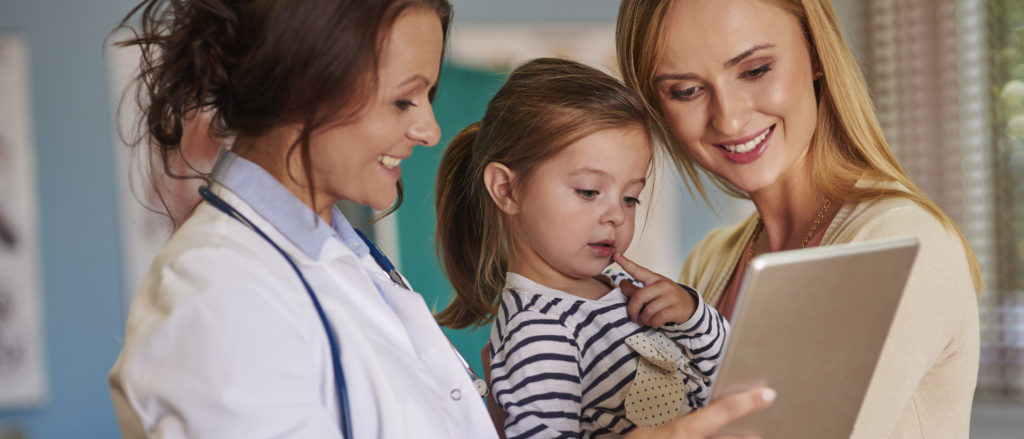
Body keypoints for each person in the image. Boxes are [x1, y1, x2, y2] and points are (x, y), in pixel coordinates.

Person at [107, 0, 772, 437]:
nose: (429, 129)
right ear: (305, 87)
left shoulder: (346, 262)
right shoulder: (219, 298)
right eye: (404, 100)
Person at [616, 0, 982, 437]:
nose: (729, 118)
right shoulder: (711, 261)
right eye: (687, 90)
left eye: (755, 70)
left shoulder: (900, 242)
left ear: (814, 52)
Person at [435, 58, 728, 438]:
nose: (616, 217)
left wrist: (692, 316)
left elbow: (730, 372)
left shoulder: (620, 284)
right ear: (507, 190)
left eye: (630, 198)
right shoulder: (537, 331)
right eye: (589, 192)